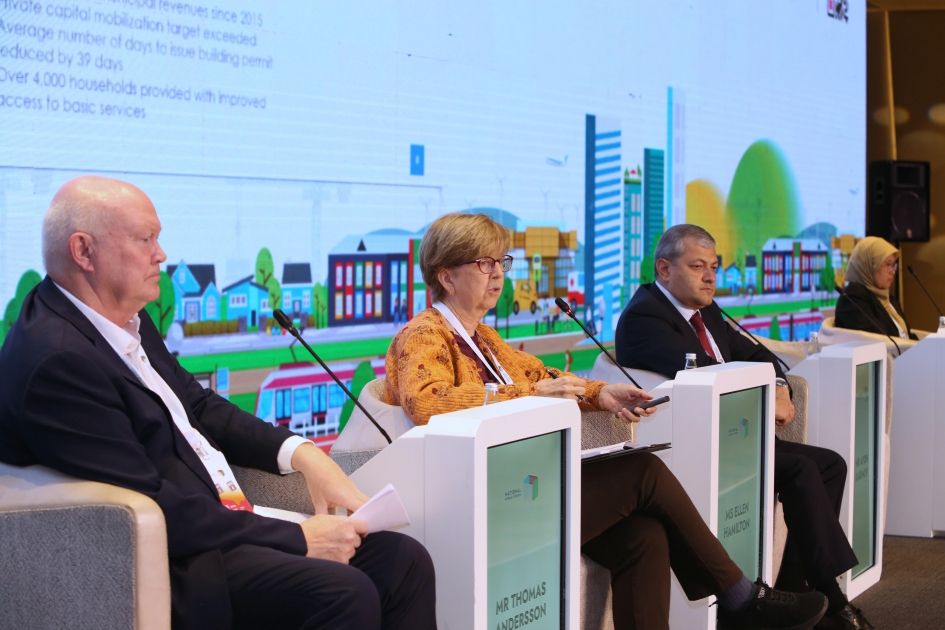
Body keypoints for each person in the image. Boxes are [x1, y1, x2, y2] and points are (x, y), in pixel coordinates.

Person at [0, 176, 436, 630]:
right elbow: (152, 505)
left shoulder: (124, 316)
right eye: (145, 239)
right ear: (84, 251)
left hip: (219, 522)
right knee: (344, 591)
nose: (160, 254)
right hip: (176, 560)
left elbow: (199, 406)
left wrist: (303, 454)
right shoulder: (57, 361)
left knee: (402, 561)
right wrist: (298, 537)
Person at [384, 212, 828, 630]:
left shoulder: (484, 338)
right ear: (446, 276)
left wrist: (601, 394)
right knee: (643, 471)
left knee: (644, 536)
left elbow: (543, 376)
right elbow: (428, 401)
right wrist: (530, 394)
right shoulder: (423, 333)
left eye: (502, 261)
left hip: (524, 484)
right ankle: (741, 598)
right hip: (484, 499)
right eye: (485, 263)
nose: (499, 274)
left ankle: (740, 599)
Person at [615, 224, 873, 630]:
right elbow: (709, 374)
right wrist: (767, 389)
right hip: (697, 446)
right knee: (802, 468)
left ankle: (796, 591)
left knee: (830, 465)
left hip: (737, 435)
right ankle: (831, 599)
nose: (710, 277)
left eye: (714, 267)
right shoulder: (644, 317)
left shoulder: (707, 312)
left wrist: (781, 386)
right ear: (664, 269)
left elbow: (759, 355)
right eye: (697, 266)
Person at [835, 236, 919, 340]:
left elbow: (907, 335)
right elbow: (876, 340)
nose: (892, 271)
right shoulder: (852, 300)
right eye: (888, 264)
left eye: (893, 265)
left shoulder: (889, 299)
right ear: (869, 264)